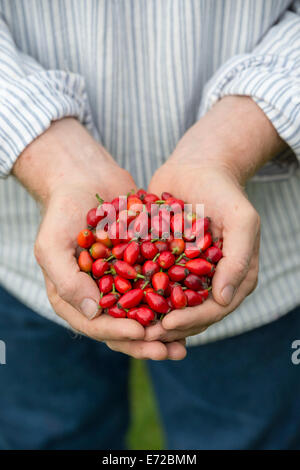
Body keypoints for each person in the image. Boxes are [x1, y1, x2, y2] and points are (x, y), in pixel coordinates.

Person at [0, 0, 300, 450]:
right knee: (47, 434)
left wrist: (234, 138)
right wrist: (43, 146)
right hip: (24, 252)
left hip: (265, 269)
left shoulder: (130, 245)